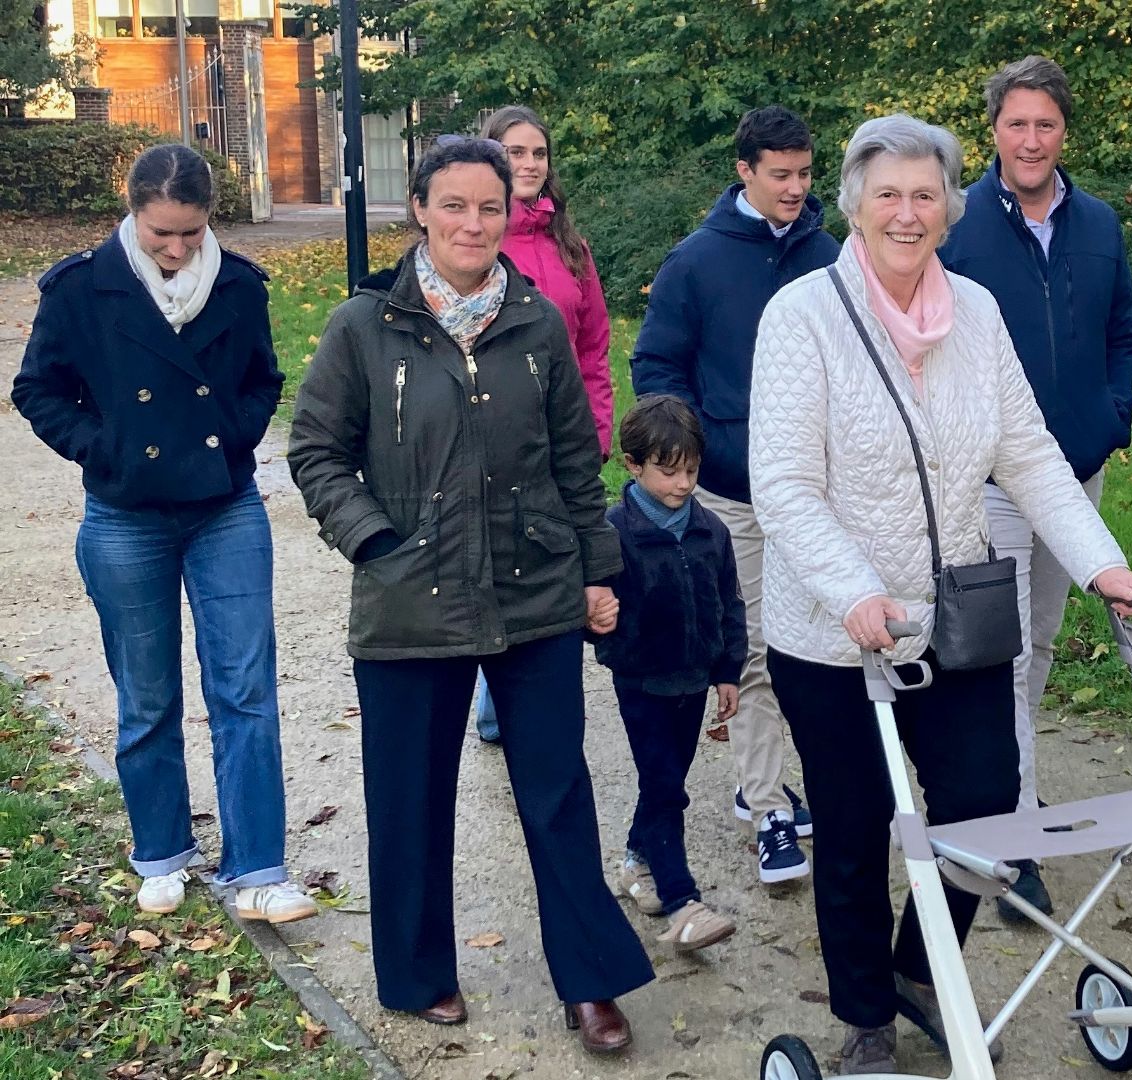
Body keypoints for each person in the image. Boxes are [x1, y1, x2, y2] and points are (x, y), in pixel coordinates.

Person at [749, 113, 1132, 1076]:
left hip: (958, 616)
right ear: (854, 206)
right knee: (853, 825)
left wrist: (1100, 562)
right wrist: (853, 589)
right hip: (835, 633)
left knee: (982, 809)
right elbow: (785, 485)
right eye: (887, 194)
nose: (907, 212)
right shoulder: (803, 315)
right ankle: (865, 1018)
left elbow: (1030, 455)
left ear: (950, 208)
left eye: (925, 194)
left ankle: (917, 971)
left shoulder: (974, 310)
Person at [287, 136, 650, 1053]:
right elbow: (316, 451)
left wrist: (598, 570)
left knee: (557, 793)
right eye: (453, 205)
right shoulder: (363, 326)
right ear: (419, 209)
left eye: (489, 207)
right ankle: (418, 972)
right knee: (409, 796)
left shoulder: (537, 324)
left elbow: (576, 464)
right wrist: (375, 541)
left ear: (509, 213)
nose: (472, 224)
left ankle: (591, 981)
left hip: (533, 592)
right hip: (410, 600)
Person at [11, 144, 317, 927]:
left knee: (245, 690)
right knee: (146, 694)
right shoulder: (82, 288)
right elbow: (37, 389)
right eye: (161, 234)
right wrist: (104, 449)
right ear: (132, 212)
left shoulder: (239, 285)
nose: (177, 249)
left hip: (224, 505)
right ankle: (162, 851)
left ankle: (258, 868)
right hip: (125, 513)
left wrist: (235, 436)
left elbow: (263, 380)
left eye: (191, 232)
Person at [939, 54, 1132, 920]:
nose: (1031, 139)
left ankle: (1007, 782)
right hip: (990, 481)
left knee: (1044, 642)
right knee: (1005, 652)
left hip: (1076, 473)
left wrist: (1113, 415)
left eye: (1046, 124)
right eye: (1016, 123)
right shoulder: (956, 225)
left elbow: (1124, 328)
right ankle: (1014, 840)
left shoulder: (1097, 223)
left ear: (1064, 132)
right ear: (994, 130)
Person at [631, 105, 839, 886]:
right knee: (748, 650)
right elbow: (657, 364)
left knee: (816, 647)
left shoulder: (832, 257)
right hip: (732, 494)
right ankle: (770, 809)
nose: (795, 187)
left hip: (820, 495)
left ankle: (789, 784)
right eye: (780, 174)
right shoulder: (695, 262)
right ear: (744, 170)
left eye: (805, 173)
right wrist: (696, 452)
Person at [465, 105, 616, 746]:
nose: (529, 164)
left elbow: (594, 348)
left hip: (565, 437)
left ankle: (535, 702)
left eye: (538, 153)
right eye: (515, 152)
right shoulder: (477, 239)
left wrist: (598, 429)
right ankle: (492, 698)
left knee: (556, 563)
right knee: (495, 559)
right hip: (496, 437)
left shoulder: (570, 246)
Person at [595, 394, 744, 954]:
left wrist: (728, 670)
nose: (683, 484)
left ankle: (637, 863)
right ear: (632, 465)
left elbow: (730, 603)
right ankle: (684, 903)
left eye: (691, 470)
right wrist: (600, 623)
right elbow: (593, 608)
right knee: (663, 785)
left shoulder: (710, 530)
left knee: (667, 780)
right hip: (641, 681)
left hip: (694, 679)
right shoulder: (614, 532)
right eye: (668, 471)